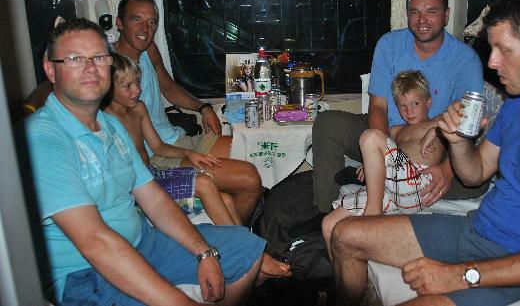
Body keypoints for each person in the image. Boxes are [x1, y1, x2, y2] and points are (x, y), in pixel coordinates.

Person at [330, 0, 520, 306]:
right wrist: (458, 141)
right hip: (478, 229)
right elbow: (476, 172)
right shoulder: (518, 103)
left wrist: (461, 275)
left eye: (503, 50)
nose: (492, 61)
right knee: (345, 235)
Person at [23, 18, 265, 306]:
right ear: (50, 69)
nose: (90, 68)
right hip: (85, 273)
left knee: (248, 250)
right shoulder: (42, 139)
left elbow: (154, 199)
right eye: (75, 59)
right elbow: (95, 242)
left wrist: (203, 252)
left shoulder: (110, 126)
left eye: (99, 58)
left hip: (143, 242)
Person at [104, 52, 292, 280]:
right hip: (138, 190)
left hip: (153, 175)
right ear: (107, 89)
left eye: (137, 83)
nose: (136, 90)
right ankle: (257, 257)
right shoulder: (105, 121)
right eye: (127, 86)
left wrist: (189, 153)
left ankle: (246, 263)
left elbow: (158, 147)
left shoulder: (138, 109)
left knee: (226, 200)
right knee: (203, 182)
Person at [312, 0, 484, 213]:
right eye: (415, 12)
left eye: (431, 12)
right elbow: (378, 107)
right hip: (387, 130)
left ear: (446, 15)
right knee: (328, 122)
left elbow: (467, 123)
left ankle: (382, 184)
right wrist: (383, 155)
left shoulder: (465, 59)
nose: (422, 20)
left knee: (473, 180)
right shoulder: (389, 45)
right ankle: (324, 210)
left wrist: (447, 169)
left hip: (433, 142)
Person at [322, 71, 444, 252]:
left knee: (370, 136)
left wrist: (435, 130)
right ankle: (342, 270)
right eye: (403, 106)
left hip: (418, 184)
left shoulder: (438, 121)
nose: (409, 111)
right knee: (329, 224)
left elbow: (462, 115)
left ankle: (373, 215)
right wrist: (371, 163)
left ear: (429, 102)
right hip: (392, 190)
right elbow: (386, 154)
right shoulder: (396, 131)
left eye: (415, 104)